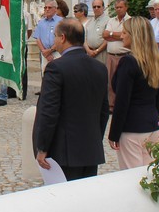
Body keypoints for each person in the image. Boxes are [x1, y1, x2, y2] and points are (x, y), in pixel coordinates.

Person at [33, 18, 109, 181]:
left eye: (55, 36)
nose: (54, 40)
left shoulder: (56, 68)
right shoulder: (100, 68)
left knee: (64, 194)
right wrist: (95, 138)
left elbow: (49, 110)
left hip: (64, 150)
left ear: (62, 38)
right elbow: (104, 111)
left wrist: (42, 147)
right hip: (90, 147)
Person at [108, 17, 159, 169]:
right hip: (152, 123)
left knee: (131, 175)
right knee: (149, 172)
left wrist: (114, 133)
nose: (121, 36)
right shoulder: (157, 60)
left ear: (134, 36)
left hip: (132, 126)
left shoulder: (129, 62)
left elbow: (122, 100)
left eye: (125, 33)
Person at [102, 0, 130, 110]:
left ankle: (121, 104)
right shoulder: (111, 20)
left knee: (122, 81)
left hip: (124, 55)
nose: (118, 9)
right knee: (110, 81)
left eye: (120, 7)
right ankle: (111, 105)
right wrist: (118, 35)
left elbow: (128, 36)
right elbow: (105, 35)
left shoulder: (130, 21)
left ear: (126, 7)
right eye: (117, 7)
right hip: (111, 55)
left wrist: (111, 34)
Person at [34, 0, 63, 72]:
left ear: (55, 9)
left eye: (49, 7)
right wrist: (45, 53)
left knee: (58, 74)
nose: (47, 9)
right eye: (45, 7)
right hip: (44, 54)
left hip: (57, 53)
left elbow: (62, 38)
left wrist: (50, 50)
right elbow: (38, 38)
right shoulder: (41, 22)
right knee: (45, 74)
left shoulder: (61, 21)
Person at [84, 0, 109, 65]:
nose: (96, 8)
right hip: (89, 53)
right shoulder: (89, 21)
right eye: (94, 7)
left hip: (101, 53)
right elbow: (84, 38)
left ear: (103, 7)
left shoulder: (108, 21)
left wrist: (97, 51)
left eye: (98, 6)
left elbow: (107, 39)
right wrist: (88, 50)